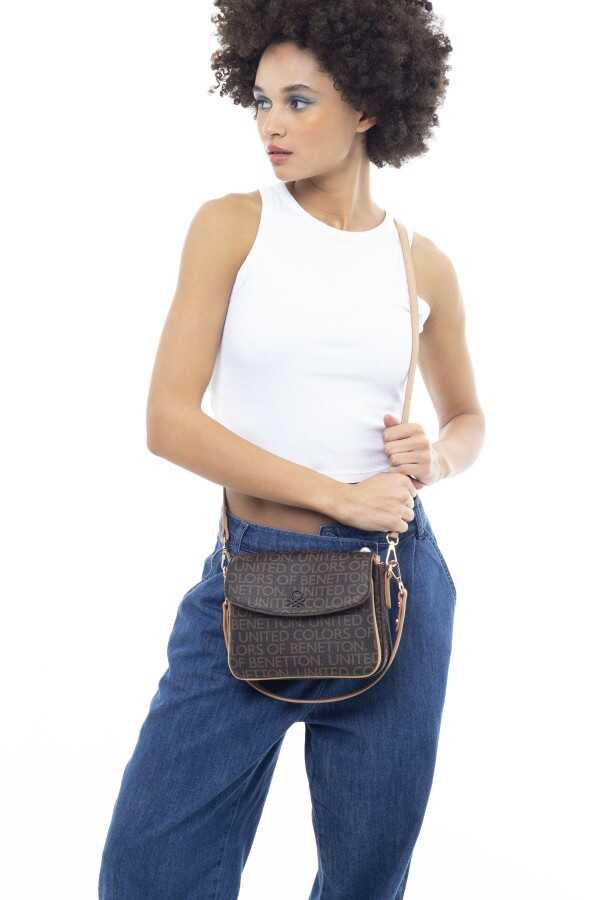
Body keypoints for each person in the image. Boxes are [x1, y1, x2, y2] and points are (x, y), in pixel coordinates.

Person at [98, 2, 485, 897]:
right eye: (262, 101)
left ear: (369, 106)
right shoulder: (233, 225)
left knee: (364, 881)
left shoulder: (421, 263)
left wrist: (435, 459)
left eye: (299, 101)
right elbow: (168, 421)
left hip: (393, 587)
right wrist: (336, 494)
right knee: (148, 871)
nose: (271, 123)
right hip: (252, 580)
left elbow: (468, 416)